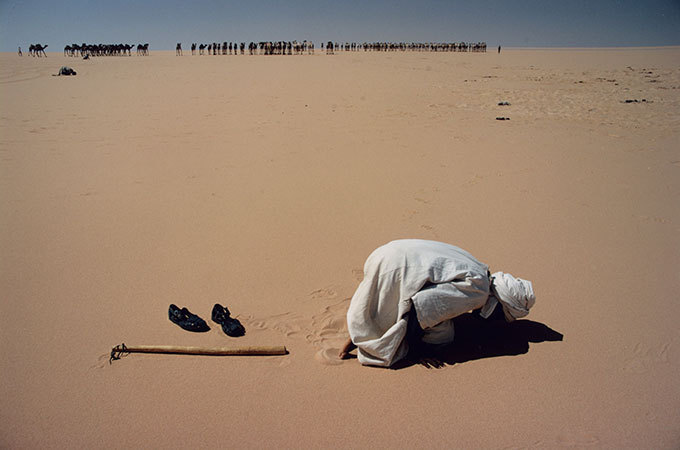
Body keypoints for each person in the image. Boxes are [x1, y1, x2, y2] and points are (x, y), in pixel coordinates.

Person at [339, 239, 535, 366]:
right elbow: (421, 306)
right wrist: (418, 352)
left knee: (372, 303)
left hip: (385, 252)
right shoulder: (479, 292)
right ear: (498, 303)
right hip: (394, 268)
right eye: (502, 315)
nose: (497, 320)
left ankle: (357, 332)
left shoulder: (480, 270)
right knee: (443, 336)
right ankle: (364, 336)